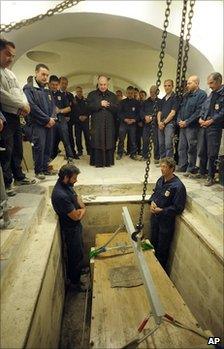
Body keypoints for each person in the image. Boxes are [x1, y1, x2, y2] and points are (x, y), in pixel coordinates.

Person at [0, 38, 35, 195]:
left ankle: (19, 177)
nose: (11, 58)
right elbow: (2, 94)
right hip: (5, 115)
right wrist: (21, 105)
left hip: (16, 116)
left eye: (13, 56)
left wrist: (25, 105)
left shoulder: (10, 73)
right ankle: (7, 183)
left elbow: (19, 92)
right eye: (8, 54)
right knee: (7, 151)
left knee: (17, 149)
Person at [51, 164, 86, 291]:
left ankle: (78, 274)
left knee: (80, 252)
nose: (76, 180)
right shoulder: (60, 195)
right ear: (66, 177)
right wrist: (82, 209)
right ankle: (75, 284)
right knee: (74, 256)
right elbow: (76, 216)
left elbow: (77, 198)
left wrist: (80, 207)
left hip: (75, 227)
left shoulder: (67, 185)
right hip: (71, 230)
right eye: (74, 178)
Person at [149, 157, 186, 272]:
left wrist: (162, 211)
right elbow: (155, 194)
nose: (162, 169)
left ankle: (159, 273)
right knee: (153, 244)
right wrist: (152, 203)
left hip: (166, 224)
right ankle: (151, 269)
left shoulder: (178, 186)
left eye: (164, 167)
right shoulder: (161, 180)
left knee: (162, 250)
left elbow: (178, 207)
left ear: (172, 169)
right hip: (155, 220)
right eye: (161, 166)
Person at [23, 64, 56, 180]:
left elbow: (53, 105)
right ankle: (38, 171)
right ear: (36, 73)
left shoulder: (47, 89)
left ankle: (45, 168)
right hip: (37, 124)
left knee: (48, 147)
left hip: (49, 123)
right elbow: (32, 106)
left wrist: (52, 118)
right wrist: (46, 119)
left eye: (47, 75)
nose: (45, 77)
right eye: (43, 74)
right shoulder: (28, 88)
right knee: (39, 147)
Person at [197, 72, 224, 186]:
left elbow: (222, 112)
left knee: (212, 153)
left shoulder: (222, 94)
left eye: (211, 83)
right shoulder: (211, 94)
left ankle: (211, 176)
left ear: (219, 81)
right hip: (204, 125)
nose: (210, 86)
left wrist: (211, 120)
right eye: (208, 83)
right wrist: (200, 119)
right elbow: (204, 107)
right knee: (202, 150)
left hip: (214, 127)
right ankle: (202, 172)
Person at [177, 76, 207, 176]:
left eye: (189, 83)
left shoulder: (201, 95)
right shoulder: (186, 95)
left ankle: (190, 168)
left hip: (192, 127)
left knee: (191, 148)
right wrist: (179, 121)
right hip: (183, 126)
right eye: (188, 83)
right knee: (181, 147)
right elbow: (181, 109)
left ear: (196, 83)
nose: (187, 85)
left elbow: (198, 111)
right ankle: (182, 166)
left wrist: (187, 122)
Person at [87, 75, 118, 167]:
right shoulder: (91, 95)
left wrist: (108, 105)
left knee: (108, 141)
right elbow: (88, 108)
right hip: (97, 125)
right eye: (101, 84)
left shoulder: (113, 96)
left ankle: (108, 162)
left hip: (109, 125)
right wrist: (99, 104)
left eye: (104, 84)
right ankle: (97, 162)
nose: (103, 86)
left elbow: (117, 109)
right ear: (98, 84)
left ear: (107, 84)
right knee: (97, 141)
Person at [49, 75, 75, 162]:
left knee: (66, 139)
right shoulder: (46, 94)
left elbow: (69, 108)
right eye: (53, 85)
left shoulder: (62, 95)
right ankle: (51, 157)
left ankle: (70, 157)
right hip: (50, 121)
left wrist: (59, 111)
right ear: (49, 84)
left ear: (58, 85)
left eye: (56, 85)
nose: (54, 86)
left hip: (61, 120)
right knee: (52, 141)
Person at [117, 85, 140, 160]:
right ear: (126, 93)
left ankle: (133, 154)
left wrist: (134, 120)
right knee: (121, 139)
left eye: (131, 93)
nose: (130, 94)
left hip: (133, 124)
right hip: (123, 123)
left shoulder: (137, 103)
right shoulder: (122, 102)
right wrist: (125, 119)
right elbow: (119, 113)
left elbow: (139, 113)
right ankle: (120, 153)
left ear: (133, 93)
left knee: (133, 140)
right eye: (128, 93)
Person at [157, 80, 178, 159]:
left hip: (169, 124)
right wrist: (159, 122)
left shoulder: (175, 98)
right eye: (165, 85)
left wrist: (164, 123)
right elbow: (159, 112)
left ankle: (168, 162)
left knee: (168, 144)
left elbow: (172, 113)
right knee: (161, 143)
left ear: (172, 86)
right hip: (161, 123)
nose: (167, 87)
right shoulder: (163, 99)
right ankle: (162, 161)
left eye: (169, 85)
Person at [59, 77, 79, 159]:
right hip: (58, 120)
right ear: (59, 83)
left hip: (69, 120)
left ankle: (72, 153)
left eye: (66, 83)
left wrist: (69, 117)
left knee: (70, 137)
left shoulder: (70, 95)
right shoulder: (55, 94)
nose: (64, 85)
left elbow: (74, 107)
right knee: (56, 138)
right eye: (62, 83)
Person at [140, 85, 161, 162]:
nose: (152, 93)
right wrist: (145, 117)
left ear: (157, 92)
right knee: (145, 140)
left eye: (154, 92)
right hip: (146, 124)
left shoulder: (160, 102)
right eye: (151, 92)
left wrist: (152, 118)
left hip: (155, 125)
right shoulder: (145, 102)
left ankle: (156, 157)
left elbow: (160, 112)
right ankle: (144, 155)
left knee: (156, 141)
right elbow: (141, 111)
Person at [73, 86, 91, 156]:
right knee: (78, 137)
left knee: (87, 137)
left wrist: (86, 116)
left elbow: (89, 110)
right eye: (78, 91)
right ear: (76, 92)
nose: (79, 93)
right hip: (77, 122)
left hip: (85, 122)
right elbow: (72, 112)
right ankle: (80, 151)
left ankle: (89, 150)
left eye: (80, 91)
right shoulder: (73, 101)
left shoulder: (86, 100)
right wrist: (78, 117)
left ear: (82, 92)